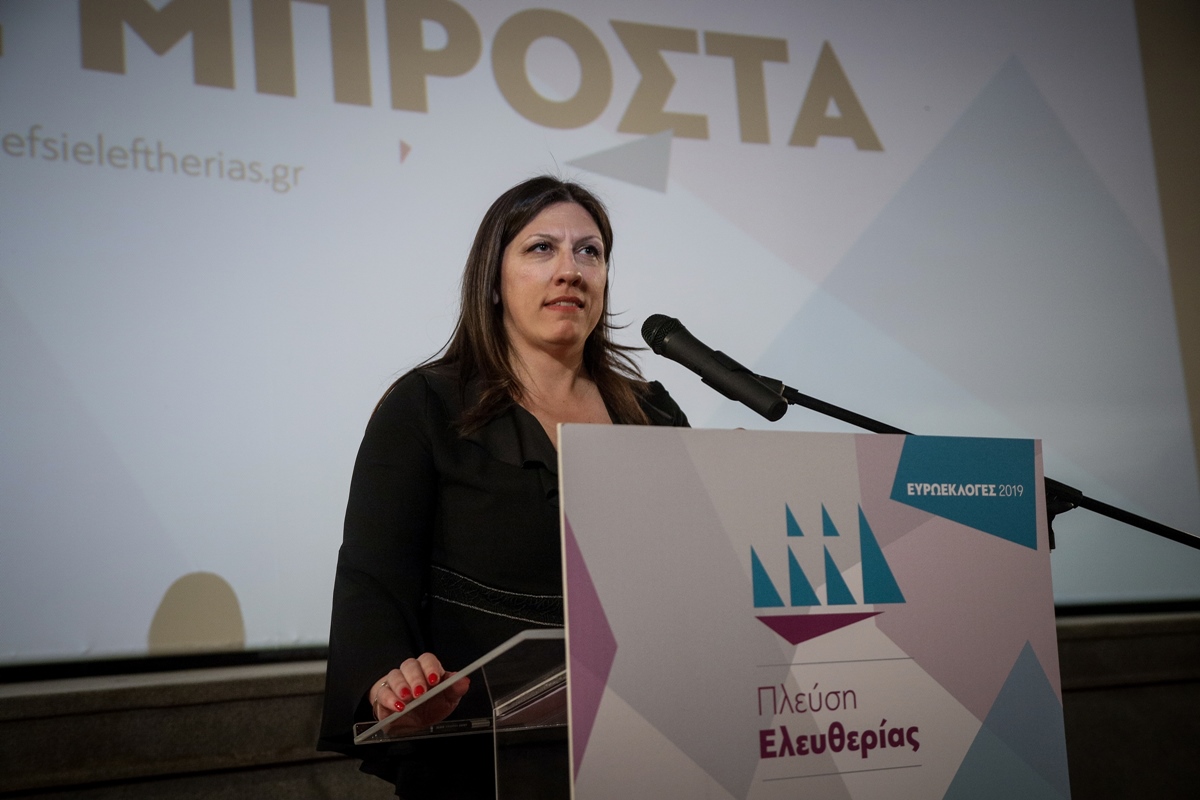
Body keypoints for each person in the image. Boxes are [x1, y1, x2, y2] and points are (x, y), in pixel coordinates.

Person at [317, 175, 689, 797]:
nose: (570, 270)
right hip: (479, 755)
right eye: (542, 248)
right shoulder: (426, 406)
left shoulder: (653, 415)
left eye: (589, 252)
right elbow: (373, 578)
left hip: (643, 746)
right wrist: (388, 682)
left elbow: (690, 576)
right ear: (493, 280)